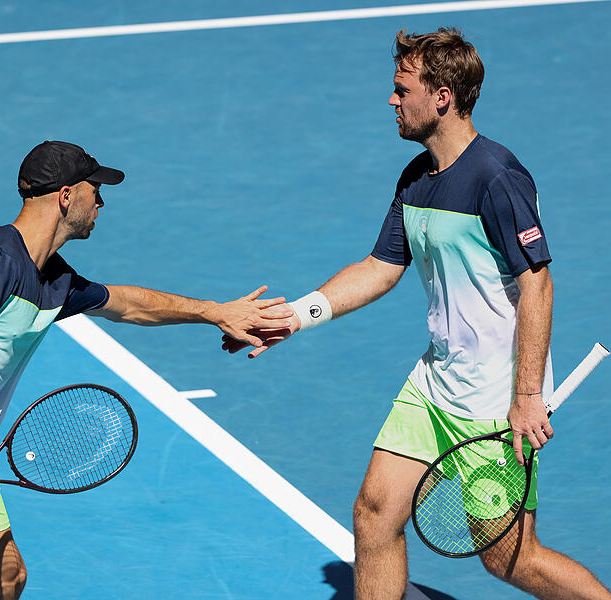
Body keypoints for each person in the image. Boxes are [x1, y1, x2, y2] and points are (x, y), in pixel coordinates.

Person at [222, 28, 610, 600]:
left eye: (403, 88)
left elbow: (539, 283)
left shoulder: (496, 178)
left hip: (494, 404)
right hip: (434, 386)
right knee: (374, 514)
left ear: (443, 95)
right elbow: (380, 267)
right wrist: (296, 316)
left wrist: (526, 395)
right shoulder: (416, 179)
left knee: (510, 560)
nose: (392, 100)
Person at [0, 140, 294, 600]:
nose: (101, 203)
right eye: (95, 191)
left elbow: (128, 304)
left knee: (6, 580)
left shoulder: (52, 277)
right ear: (66, 196)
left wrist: (214, 312)